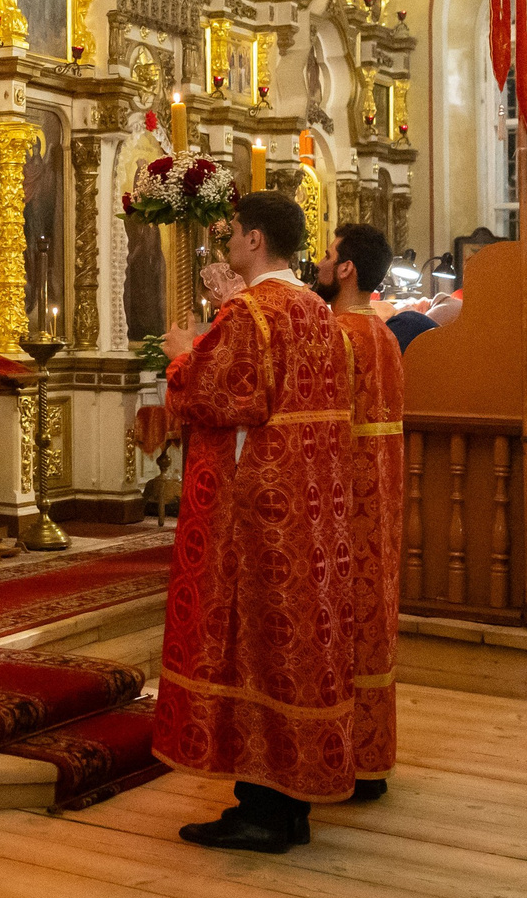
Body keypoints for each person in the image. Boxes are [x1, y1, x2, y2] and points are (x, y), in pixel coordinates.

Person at [157, 191, 354, 851]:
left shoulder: (253, 310)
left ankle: (263, 809)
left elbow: (213, 393)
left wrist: (182, 352)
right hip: (308, 500)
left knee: (251, 644)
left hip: (254, 505)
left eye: (234, 233)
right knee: (292, 640)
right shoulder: (316, 308)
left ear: (254, 239)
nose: (228, 242)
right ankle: (288, 802)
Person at [319, 221, 405, 802]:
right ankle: (369, 761)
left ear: (347, 269)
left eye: (328, 256)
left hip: (342, 501)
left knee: (336, 626)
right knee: (370, 625)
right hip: (381, 498)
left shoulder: (337, 337)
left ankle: (338, 757)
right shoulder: (384, 336)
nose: (320, 263)